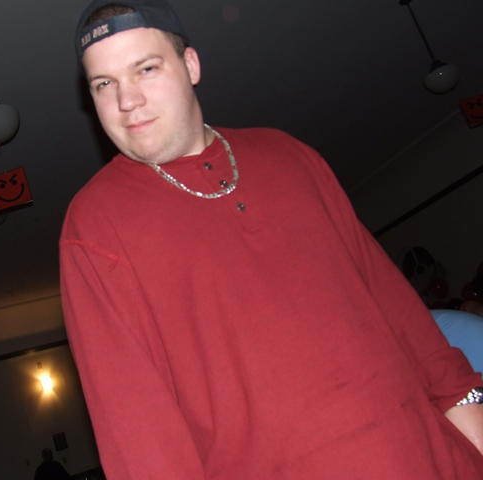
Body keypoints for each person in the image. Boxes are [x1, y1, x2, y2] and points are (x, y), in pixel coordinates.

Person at [59, 0, 483, 478]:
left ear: (190, 65)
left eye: (146, 69)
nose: (127, 100)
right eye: (104, 84)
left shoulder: (288, 154)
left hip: (430, 456)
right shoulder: (95, 225)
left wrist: (465, 402)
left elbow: (388, 296)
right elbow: (135, 424)